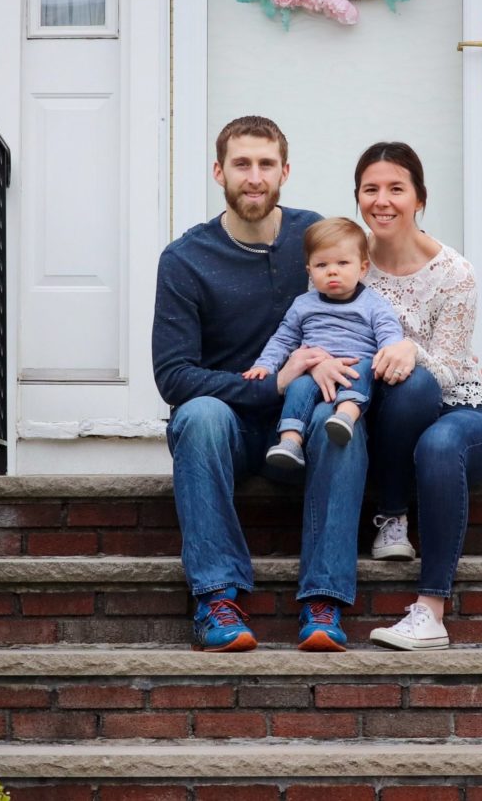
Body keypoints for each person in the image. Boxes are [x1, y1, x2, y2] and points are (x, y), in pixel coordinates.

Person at [152, 116, 367, 653]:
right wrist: (270, 384)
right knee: (198, 415)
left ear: (285, 172)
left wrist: (322, 363)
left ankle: (324, 605)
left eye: (266, 164)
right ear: (218, 171)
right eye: (242, 164)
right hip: (229, 431)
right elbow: (173, 375)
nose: (254, 177)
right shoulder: (185, 260)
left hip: (305, 422)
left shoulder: (314, 238)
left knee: (337, 421)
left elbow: (360, 314)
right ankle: (216, 600)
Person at [331, 141, 482, 650]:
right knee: (405, 390)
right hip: (385, 421)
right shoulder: (349, 263)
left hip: (462, 416)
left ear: (419, 198)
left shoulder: (454, 274)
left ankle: (430, 611)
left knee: (434, 425)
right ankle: (392, 517)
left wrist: (410, 350)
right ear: (358, 197)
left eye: (396, 189)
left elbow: (450, 370)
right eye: (370, 189)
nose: (382, 201)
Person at [243, 217, 404, 470]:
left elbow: (388, 333)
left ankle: (345, 417)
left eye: (342, 263)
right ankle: (290, 442)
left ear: (362, 268)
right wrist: (265, 365)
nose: (332, 271)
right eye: (321, 265)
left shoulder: (374, 303)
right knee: (298, 388)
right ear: (309, 271)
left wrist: (392, 354)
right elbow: (284, 338)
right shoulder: (304, 304)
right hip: (313, 368)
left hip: (356, 363)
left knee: (362, 370)